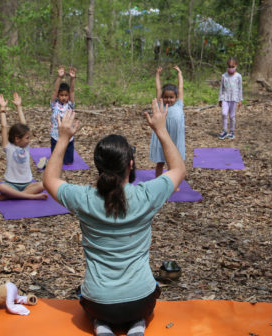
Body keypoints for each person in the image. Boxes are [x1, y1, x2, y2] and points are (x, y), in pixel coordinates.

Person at [43, 99, 186, 336]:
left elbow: (49, 181)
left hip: (99, 304)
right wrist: (161, 129)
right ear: (130, 164)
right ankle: (136, 323)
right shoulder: (146, 194)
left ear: (98, 166)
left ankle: (102, 324)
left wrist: (64, 138)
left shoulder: (84, 198)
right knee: (137, 304)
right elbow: (179, 169)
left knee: (90, 299)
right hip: (142, 301)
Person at [0, 93, 48, 201]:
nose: (29, 140)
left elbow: (23, 124)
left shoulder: (26, 147)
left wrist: (19, 107)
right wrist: (2, 109)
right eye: (27, 138)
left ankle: (13, 196)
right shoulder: (8, 147)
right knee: (1, 187)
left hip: (27, 184)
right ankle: (30, 196)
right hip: (11, 184)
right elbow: (4, 127)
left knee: (43, 185)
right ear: (17, 139)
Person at [150, 66, 185, 177]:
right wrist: (157, 75)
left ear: (176, 97)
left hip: (175, 137)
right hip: (163, 135)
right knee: (160, 161)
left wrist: (179, 73)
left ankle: (171, 183)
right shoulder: (161, 105)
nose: (168, 100)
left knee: (172, 161)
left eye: (171, 97)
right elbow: (158, 89)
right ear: (162, 97)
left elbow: (180, 87)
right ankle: (158, 181)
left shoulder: (179, 104)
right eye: (166, 97)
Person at [50, 66, 76, 165]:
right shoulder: (54, 104)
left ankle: (67, 158)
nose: (64, 97)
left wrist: (72, 78)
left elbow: (72, 91)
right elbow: (55, 90)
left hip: (68, 134)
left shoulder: (70, 104)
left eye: (66, 95)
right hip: (55, 134)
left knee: (68, 162)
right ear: (58, 96)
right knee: (55, 160)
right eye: (61, 95)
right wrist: (59, 77)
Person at [218, 57, 243, 140]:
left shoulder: (238, 76)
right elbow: (221, 88)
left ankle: (232, 131)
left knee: (232, 116)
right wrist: (220, 99)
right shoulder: (224, 76)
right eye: (229, 66)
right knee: (224, 114)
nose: (231, 68)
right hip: (225, 97)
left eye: (233, 66)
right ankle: (224, 130)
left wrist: (240, 99)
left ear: (236, 66)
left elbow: (240, 88)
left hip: (234, 98)